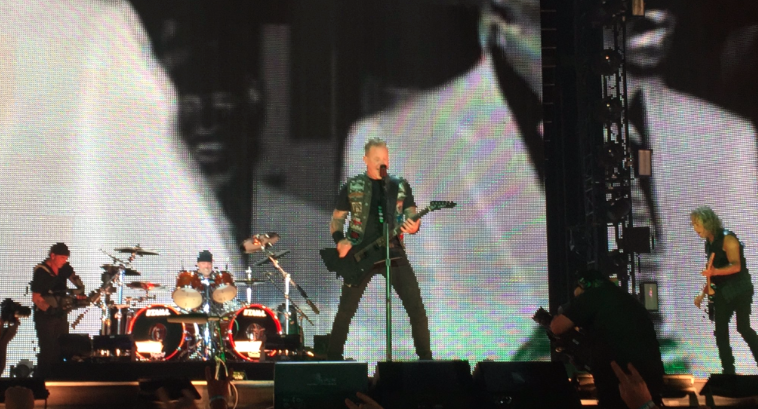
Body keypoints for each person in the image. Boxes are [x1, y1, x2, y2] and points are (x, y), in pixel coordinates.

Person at [327, 137, 430, 360]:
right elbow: (336, 219)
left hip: (393, 251)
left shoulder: (399, 186)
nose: (381, 163)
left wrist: (414, 225)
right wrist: (340, 240)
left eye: (384, 158)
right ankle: (332, 360)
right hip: (359, 254)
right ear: (365, 160)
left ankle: (426, 360)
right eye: (376, 159)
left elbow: (412, 214)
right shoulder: (352, 186)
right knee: (346, 310)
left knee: (416, 306)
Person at [549, 269, 664, 409]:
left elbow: (557, 327)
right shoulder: (624, 300)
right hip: (646, 386)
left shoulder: (595, 295)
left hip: (623, 385)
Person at [690, 206, 758, 374]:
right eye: (693, 224)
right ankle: (728, 372)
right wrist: (702, 294)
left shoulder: (728, 239)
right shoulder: (709, 244)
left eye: (697, 224)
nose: (695, 228)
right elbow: (712, 273)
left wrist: (714, 272)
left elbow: (736, 266)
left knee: (743, 327)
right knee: (720, 332)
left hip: (740, 289)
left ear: (708, 223)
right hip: (723, 291)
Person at [30, 243, 85, 378]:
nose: (64, 261)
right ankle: (42, 379)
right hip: (45, 316)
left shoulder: (64, 268)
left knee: (63, 345)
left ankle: (59, 378)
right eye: (62, 258)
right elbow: (36, 298)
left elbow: (74, 279)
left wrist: (80, 291)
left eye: (66, 258)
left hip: (60, 314)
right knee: (48, 349)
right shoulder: (42, 272)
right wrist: (51, 311)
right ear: (53, 256)